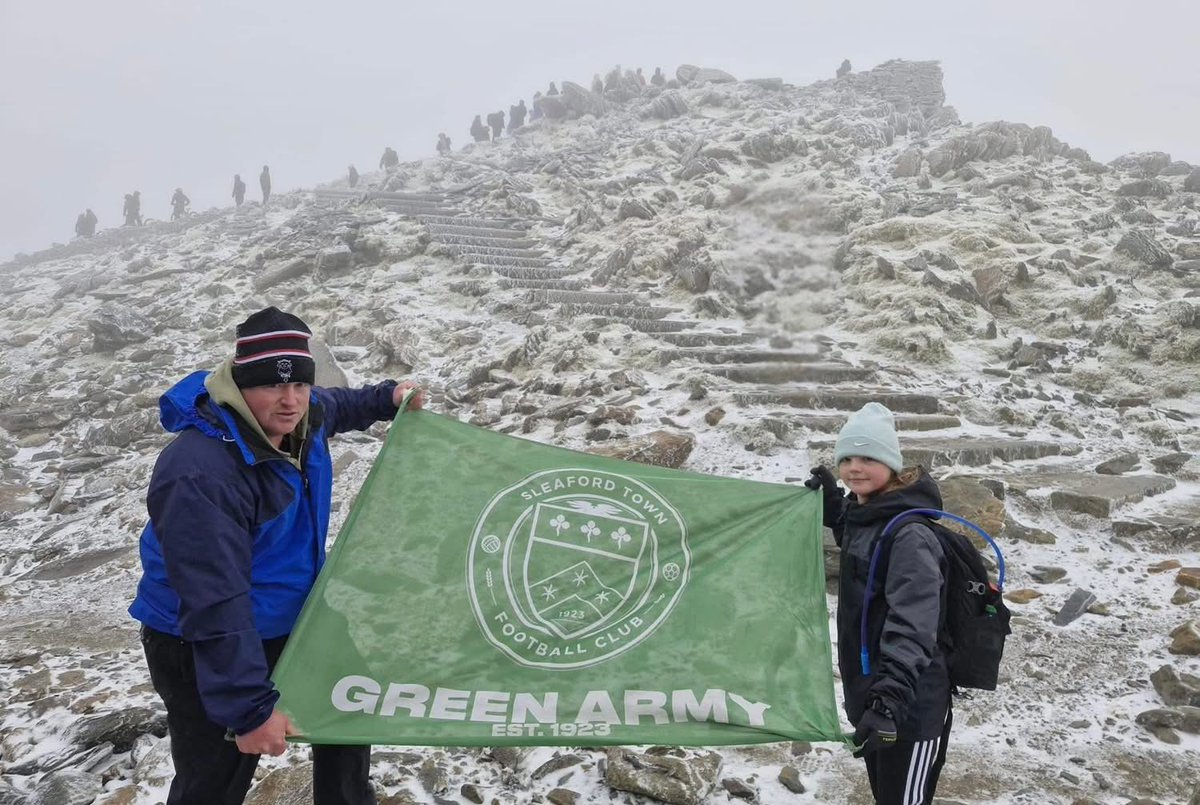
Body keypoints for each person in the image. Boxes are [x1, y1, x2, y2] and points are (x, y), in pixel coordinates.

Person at [129, 306, 425, 805]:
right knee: (213, 782)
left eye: (300, 386)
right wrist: (248, 710)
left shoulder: (304, 415)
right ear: (241, 387)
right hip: (199, 639)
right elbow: (213, 597)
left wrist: (386, 397)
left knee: (348, 710)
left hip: (293, 618)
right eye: (271, 387)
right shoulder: (200, 472)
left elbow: (339, 403)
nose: (289, 402)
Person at [805, 403, 951, 805]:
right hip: (875, 696)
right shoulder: (868, 515)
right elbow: (863, 553)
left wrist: (889, 702)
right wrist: (836, 507)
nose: (854, 467)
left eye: (868, 458)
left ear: (891, 462)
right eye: (847, 458)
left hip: (910, 704)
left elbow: (915, 622)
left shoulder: (910, 536)